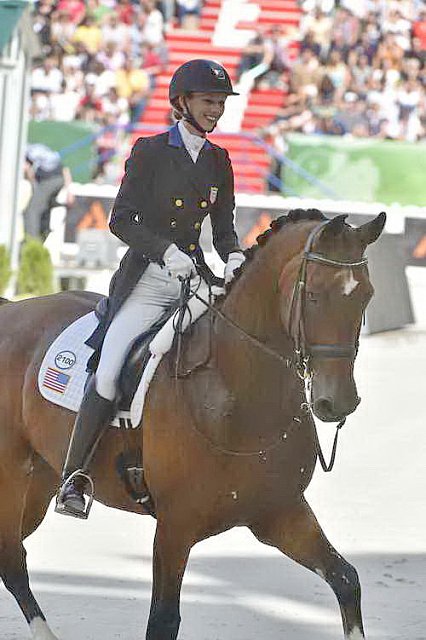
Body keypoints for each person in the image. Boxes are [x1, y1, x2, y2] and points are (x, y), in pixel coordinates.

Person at [55, 59, 246, 519]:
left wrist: (236, 256)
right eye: (208, 101)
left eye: (220, 103)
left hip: (195, 280)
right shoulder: (150, 151)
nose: (216, 110)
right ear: (181, 103)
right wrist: (164, 251)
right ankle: (74, 478)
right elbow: (121, 219)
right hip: (147, 281)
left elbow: (223, 232)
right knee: (109, 369)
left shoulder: (220, 160)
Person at [23, 143, 73, 241]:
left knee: (32, 210)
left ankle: (32, 241)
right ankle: (43, 234)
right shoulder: (40, 148)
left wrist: (32, 184)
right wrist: (69, 191)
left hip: (49, 179)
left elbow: (29, 172)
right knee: (44, 208)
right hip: (57, 179)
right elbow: (65, 169)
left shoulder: (28, 152)